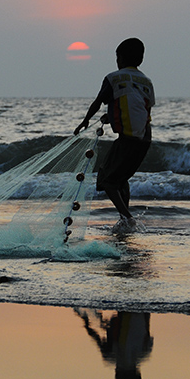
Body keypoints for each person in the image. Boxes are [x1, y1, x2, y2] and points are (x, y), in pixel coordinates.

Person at [74, 37, 154, 234]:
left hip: (128, 139)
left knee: (107, 180)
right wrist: (111, 116)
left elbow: (99, 101)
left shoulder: (113, 78)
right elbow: (138, 108)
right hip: (145, 139)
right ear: (140, 59)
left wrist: (85, 120)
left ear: (121, 57)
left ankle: (128, 219)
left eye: (117, 56)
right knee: (121, 178)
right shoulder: (146, 81)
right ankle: (123, 220)